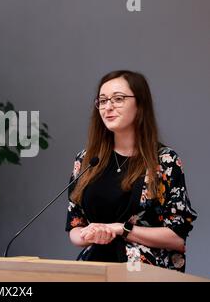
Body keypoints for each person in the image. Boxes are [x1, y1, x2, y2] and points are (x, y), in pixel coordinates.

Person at [65, 70, 197, 272]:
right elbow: (75, 226)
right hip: (95, 269)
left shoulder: (164, 161)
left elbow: (177, 238)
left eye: (118, 99)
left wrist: (121, 229)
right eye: (102, 100)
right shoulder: (86, 160)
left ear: (140, 104)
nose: (107, 107)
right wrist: (89, 234)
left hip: (145, 273)